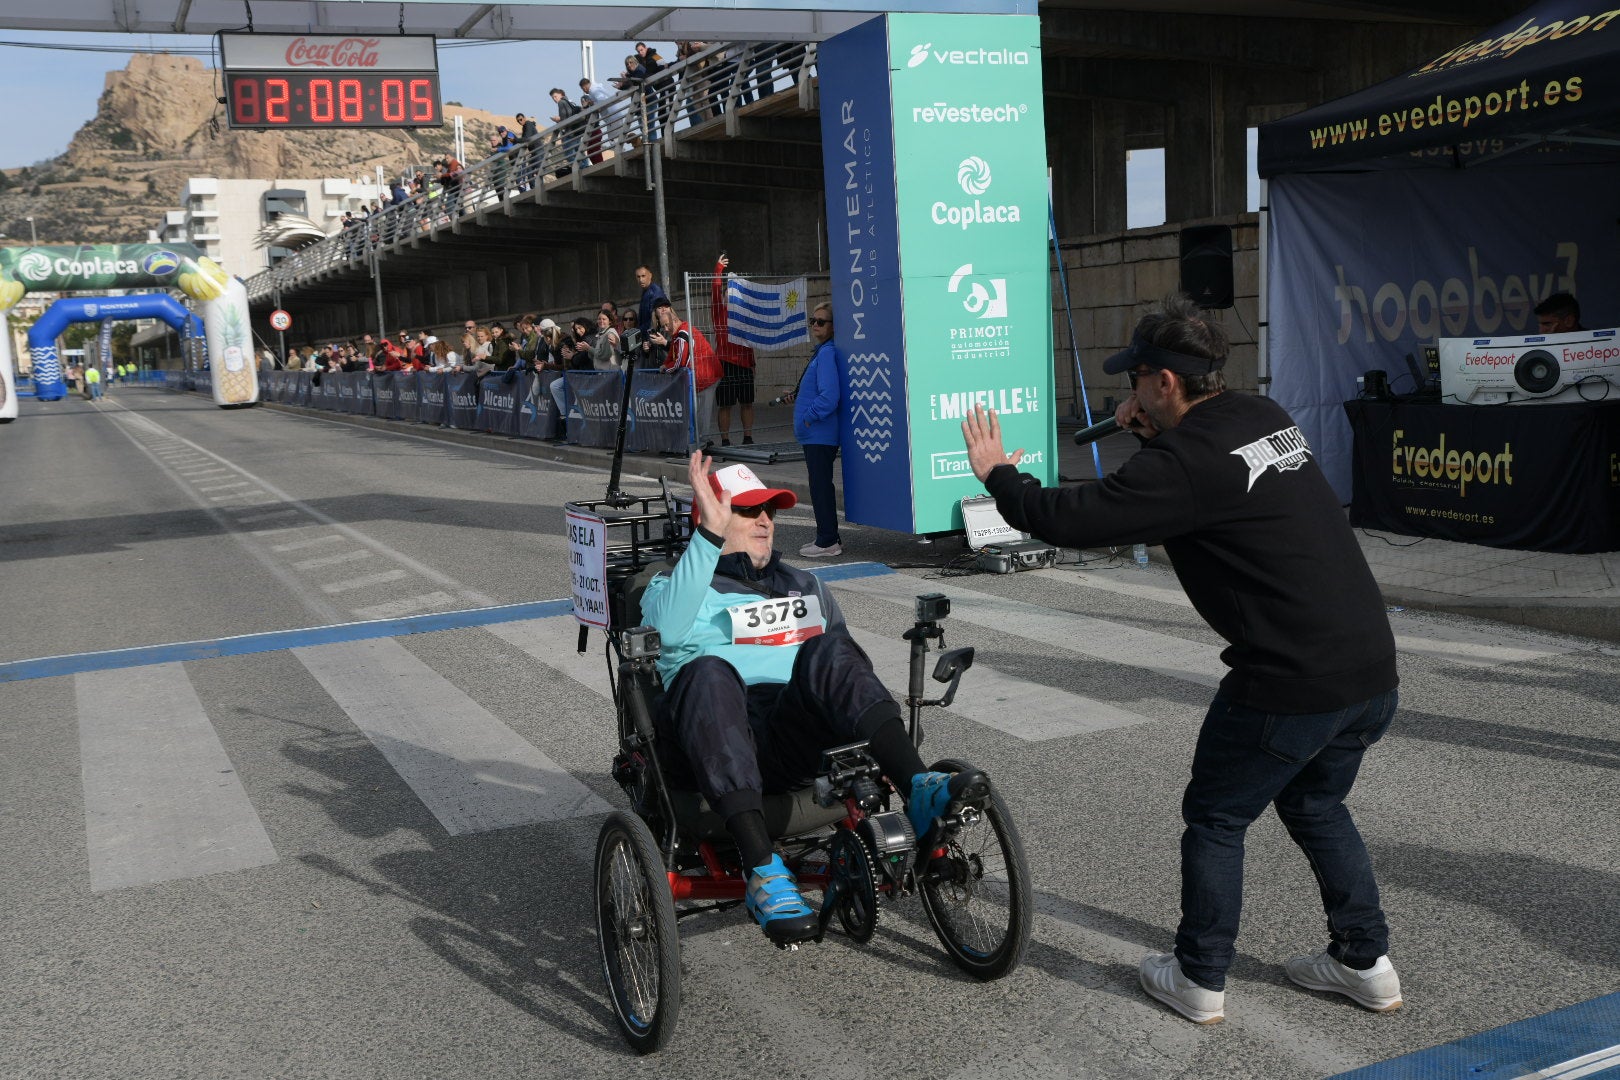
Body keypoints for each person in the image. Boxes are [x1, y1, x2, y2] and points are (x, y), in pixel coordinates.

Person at [959, 293, 1402, 1025]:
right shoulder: (1264, 415)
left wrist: (999, 474)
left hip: (1290, 679)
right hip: (1370, 671)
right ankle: (1366, 963)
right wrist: (1153, 438)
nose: (1130, 393)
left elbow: (1071, 518)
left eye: (1136, 379)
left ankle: (1198, 976)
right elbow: (1196, 488)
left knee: (1217, 817)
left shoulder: (1183, 462)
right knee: (1315, 802)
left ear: (1164, 381)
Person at [640, 452, 992, 945]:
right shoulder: (670, 586)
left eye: (770, 510)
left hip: (791, 733)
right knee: (708, 670)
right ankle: (763, 870)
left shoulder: (805, 585)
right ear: (710, 517)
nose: (765, 520)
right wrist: (708, 538)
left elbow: (845, 671)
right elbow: (669, 629)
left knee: (830, 648)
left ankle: (918, 785)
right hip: (710, 735)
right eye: (747, 510)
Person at [787, 302, 841, 558]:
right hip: (815, 435)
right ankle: (828, 537)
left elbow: (830, 395)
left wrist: (808, 417)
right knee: (819, 486)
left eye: (821, 321)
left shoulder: (827, 353)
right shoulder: (821, 352)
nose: (815, 325)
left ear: (833, 327)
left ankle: (827, 541)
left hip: (820, 434)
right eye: (812, 321)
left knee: (820, 488)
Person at [711, 253, 756, 446]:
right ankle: (725, 440)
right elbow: (715, 289)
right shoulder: (719, 312)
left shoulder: (745, 315)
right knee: (725, 404)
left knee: (747, 402)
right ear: (723, 298)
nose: (731, 296)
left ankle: (748, 437)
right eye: (728, 293)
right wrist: (718, 269)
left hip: (744, 363)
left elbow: (749, 341)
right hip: (725, 363)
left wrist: (752, 363)